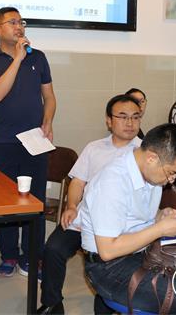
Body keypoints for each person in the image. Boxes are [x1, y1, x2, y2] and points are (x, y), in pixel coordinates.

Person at [76, 124, 176, 314]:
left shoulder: (149, 171)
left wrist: (160, 215)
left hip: (141, 252)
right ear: (151, 158)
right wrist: (160, 229)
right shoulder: (112, 182)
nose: (172, 180)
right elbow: (107, 250)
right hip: (108, 267)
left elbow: (136, 213)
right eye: (172, 172)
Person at [37, 94, 142, 314]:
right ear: (109, 121)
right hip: (85, 218)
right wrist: (71, 206)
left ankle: (108, 306)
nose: (130, 123)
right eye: (123, 117)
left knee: (106, 262)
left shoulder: (144, 153)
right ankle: (52, 303)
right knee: (53, 248)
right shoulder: (94, 148)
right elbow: (77, 182)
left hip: (120, 226)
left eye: (135, 117)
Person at [0, 7, 56, 278]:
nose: (19, 26)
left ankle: (32, 256)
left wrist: (48, 121)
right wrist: (18, 58)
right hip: (3, 143)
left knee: (35, 201)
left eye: (21, 22)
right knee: (7, 202)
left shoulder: (39, 57)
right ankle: (9, 255)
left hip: (35, 142)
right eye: (12, 22)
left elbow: (50, 97)